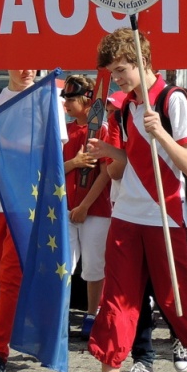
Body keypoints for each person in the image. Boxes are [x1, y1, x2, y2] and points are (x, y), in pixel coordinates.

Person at [84, 28, 187, 372]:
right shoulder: (127, 106)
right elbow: (128, 165)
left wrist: (161, 134)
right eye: (113, 70)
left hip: (166, 216)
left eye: (123, 68)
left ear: (144, 62)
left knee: (175, 298)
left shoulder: (173, 101)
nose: (119, 76)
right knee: (116, 296)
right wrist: (109, 150)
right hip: (127, 213)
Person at [0, 69, 69, 372]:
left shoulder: (48, 100)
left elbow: (52, 155)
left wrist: (4, 141)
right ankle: (22, 329)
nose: (27, 69)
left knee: (10, 278)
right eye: (20, 61)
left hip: (29, 206)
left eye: (33, 62)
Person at [61, 75, 113, 340]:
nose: (66, 103)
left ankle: (93, 313)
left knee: (94, 266)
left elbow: (105, 173)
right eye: (66, 98)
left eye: (71, 98)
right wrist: (74, 163)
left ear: (86, 99)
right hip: (64, 207)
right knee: (64, 265)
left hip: (96, 208)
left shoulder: (101, 130)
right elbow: (53, 168)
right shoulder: (63, 130)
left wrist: (84, 206)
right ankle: (60, 315)